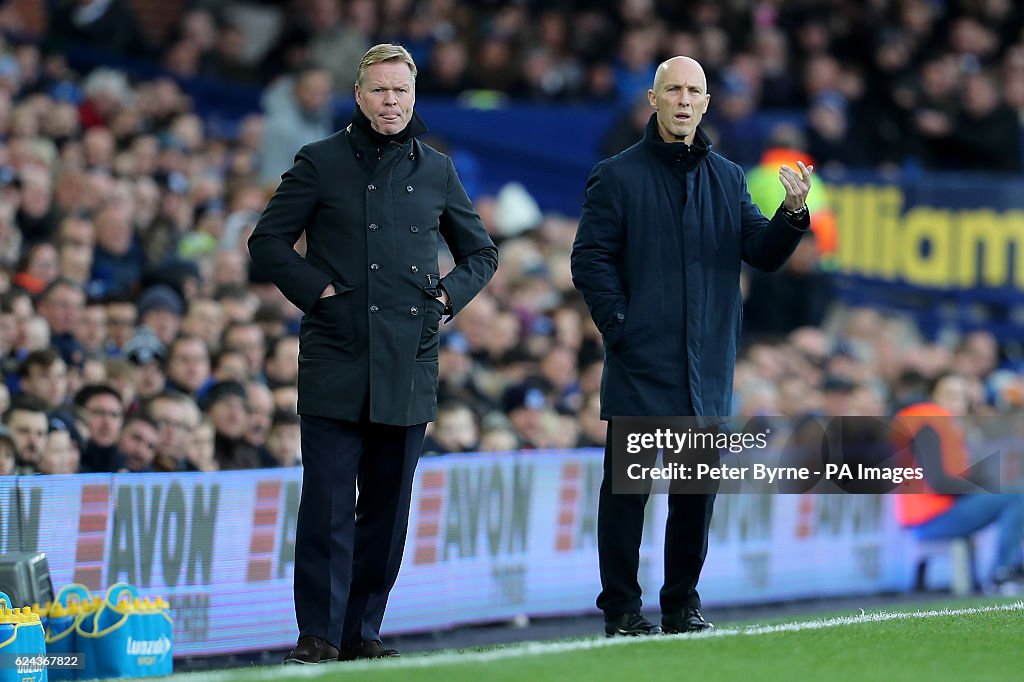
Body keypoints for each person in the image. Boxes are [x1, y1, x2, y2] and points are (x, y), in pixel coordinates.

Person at [248, 43, 497, 664]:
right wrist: (320, 295)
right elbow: (268, 240)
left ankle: (362, 630)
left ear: (414, 98)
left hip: (409, 359)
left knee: (387, 516)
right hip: (336, 352)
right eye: (381, 91)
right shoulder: (319, 160)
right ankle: (319, 634)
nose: (392, 102)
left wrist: (446, 300)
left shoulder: (437, 169)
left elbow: (482, 254)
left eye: (402, 92)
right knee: (328, 509)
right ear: (359, 95)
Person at [571, 56, 813, 637]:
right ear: (652, 100)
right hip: (640, 364)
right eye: (673, 89)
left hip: (704, 370)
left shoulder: (728, 178)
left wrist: (793, 213)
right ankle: (623, 612)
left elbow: (762, 251)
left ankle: (681, 606)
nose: (683, 100)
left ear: (706, 103)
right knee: (627, 497)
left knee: (693, 498)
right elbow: (589, 257)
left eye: (694, 91)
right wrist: (622, 325)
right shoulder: (617, 175)